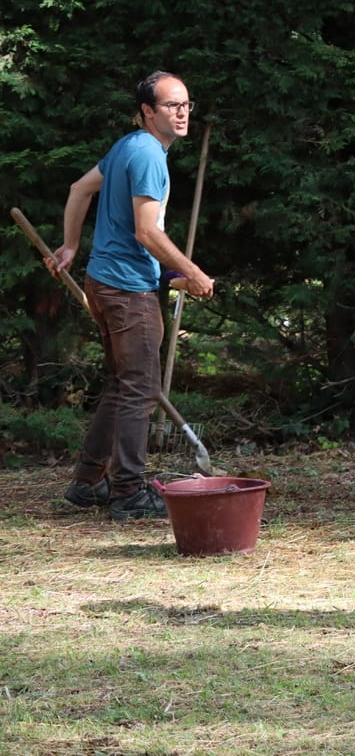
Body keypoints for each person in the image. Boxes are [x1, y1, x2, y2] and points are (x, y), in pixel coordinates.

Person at [48, 71, 215, 520]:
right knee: (140, 389)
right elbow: (146, 232)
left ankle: (88, 483)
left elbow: (79, 189)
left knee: (121, 386)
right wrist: (192, 271)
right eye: (171, 106)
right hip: (127, 291)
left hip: (104, 281)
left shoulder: (128, 146)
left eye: (186, 104)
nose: (182, 113)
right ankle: (127, 492)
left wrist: (70, 246)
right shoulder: (147, 155)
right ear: (147, 111)